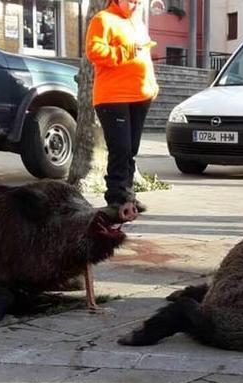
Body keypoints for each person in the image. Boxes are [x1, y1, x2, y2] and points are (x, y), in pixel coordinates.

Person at [86, 0, 158, 220]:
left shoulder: (138, 22)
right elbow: (94, 51)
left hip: (140, 95)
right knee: (121, 149)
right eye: (131, 0)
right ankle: (116, 199)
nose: (135, 4)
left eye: (137, 1)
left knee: (131, 150)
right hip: (113, 97)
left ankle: (128, 196)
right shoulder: (103, 19)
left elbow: (144, 58)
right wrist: (126, 50)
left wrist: (152, 85)